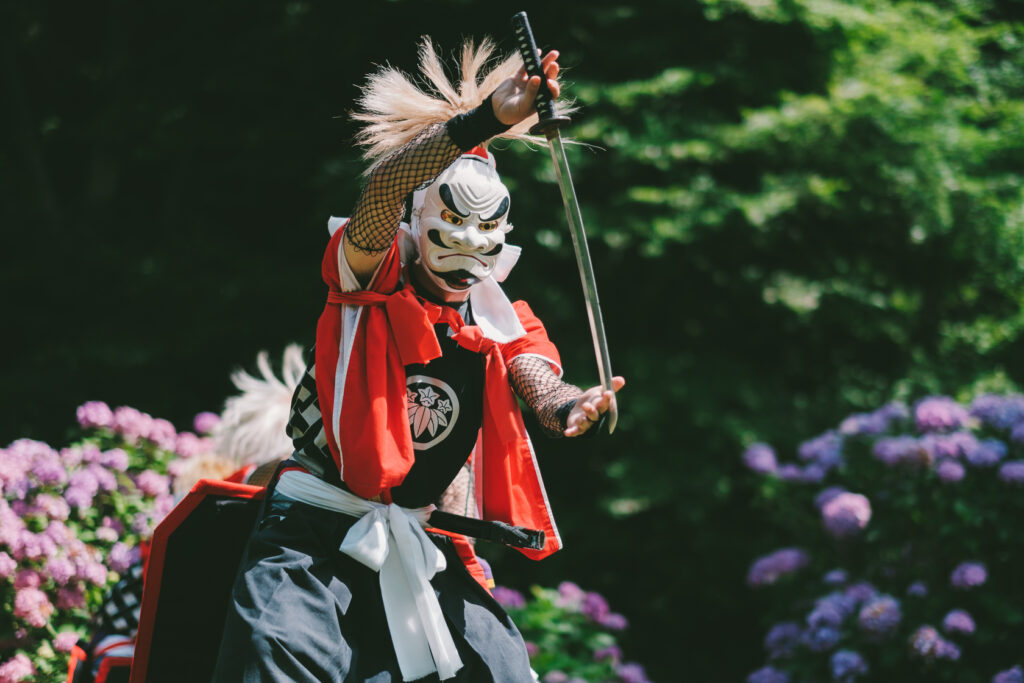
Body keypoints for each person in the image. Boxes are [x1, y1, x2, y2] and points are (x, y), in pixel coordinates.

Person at [212, 36, 624, 683]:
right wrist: (484, 121)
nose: (468, 249)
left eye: (486, 235)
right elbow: (383, 189)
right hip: (313, 532)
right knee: (276, 662)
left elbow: (533, 373)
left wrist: (570, 405)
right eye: (452, 228)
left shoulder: (493, 314)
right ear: (419, 220)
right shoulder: (366, 278)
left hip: (424, 538)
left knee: (504, 672)